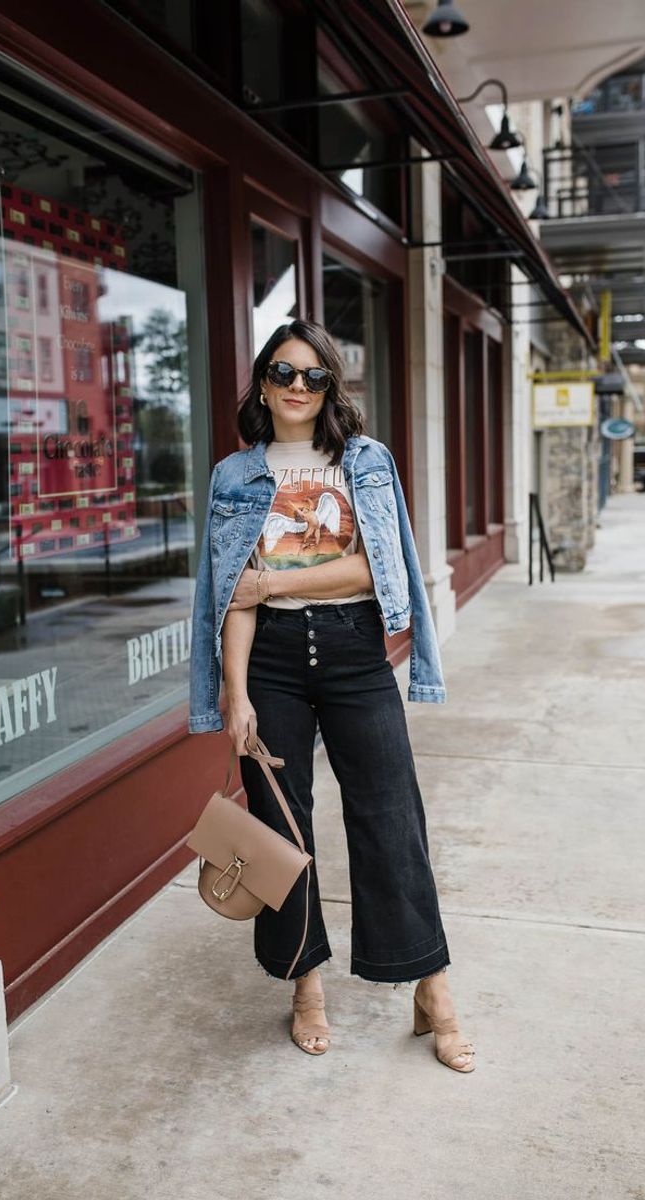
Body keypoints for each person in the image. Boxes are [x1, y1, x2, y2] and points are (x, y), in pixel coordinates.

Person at [188, 319, 474, 1071]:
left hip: (353, 652)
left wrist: (275, 580)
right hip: (271, 663)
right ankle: (304, 984)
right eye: (284, 373)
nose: (296, 388)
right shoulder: (234, 476)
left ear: (330, 388)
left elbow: (374, 574)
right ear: (262, 380)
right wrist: (235, 694)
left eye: (313, 378)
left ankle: (431, 984)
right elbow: (231, 598)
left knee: (390, 817)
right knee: (285, 832)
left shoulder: (366, 464)